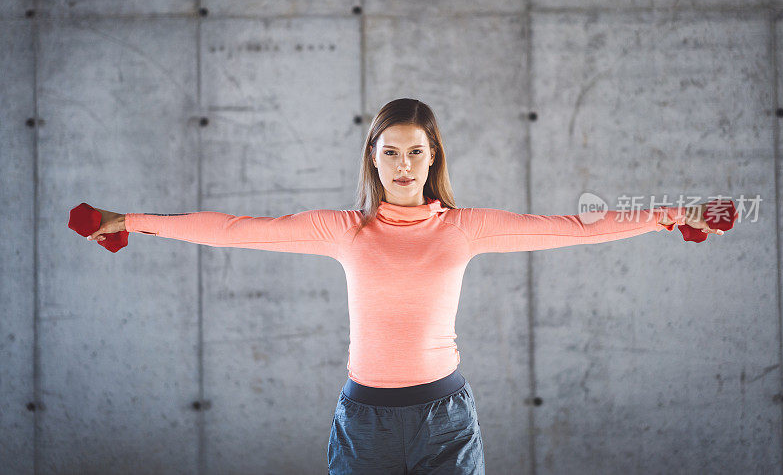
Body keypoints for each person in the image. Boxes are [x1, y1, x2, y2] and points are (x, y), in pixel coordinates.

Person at [87, 98, 725, 474]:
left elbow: (572, 229)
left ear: (433, 158)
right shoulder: (344, 230)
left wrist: (673, 215)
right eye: (390, 152)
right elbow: (234, 229)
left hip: (446, 422)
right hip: (364, 423)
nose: (402, 165)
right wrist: (130, 223)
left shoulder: (463, 229)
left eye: (415, 153)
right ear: (372, 157)